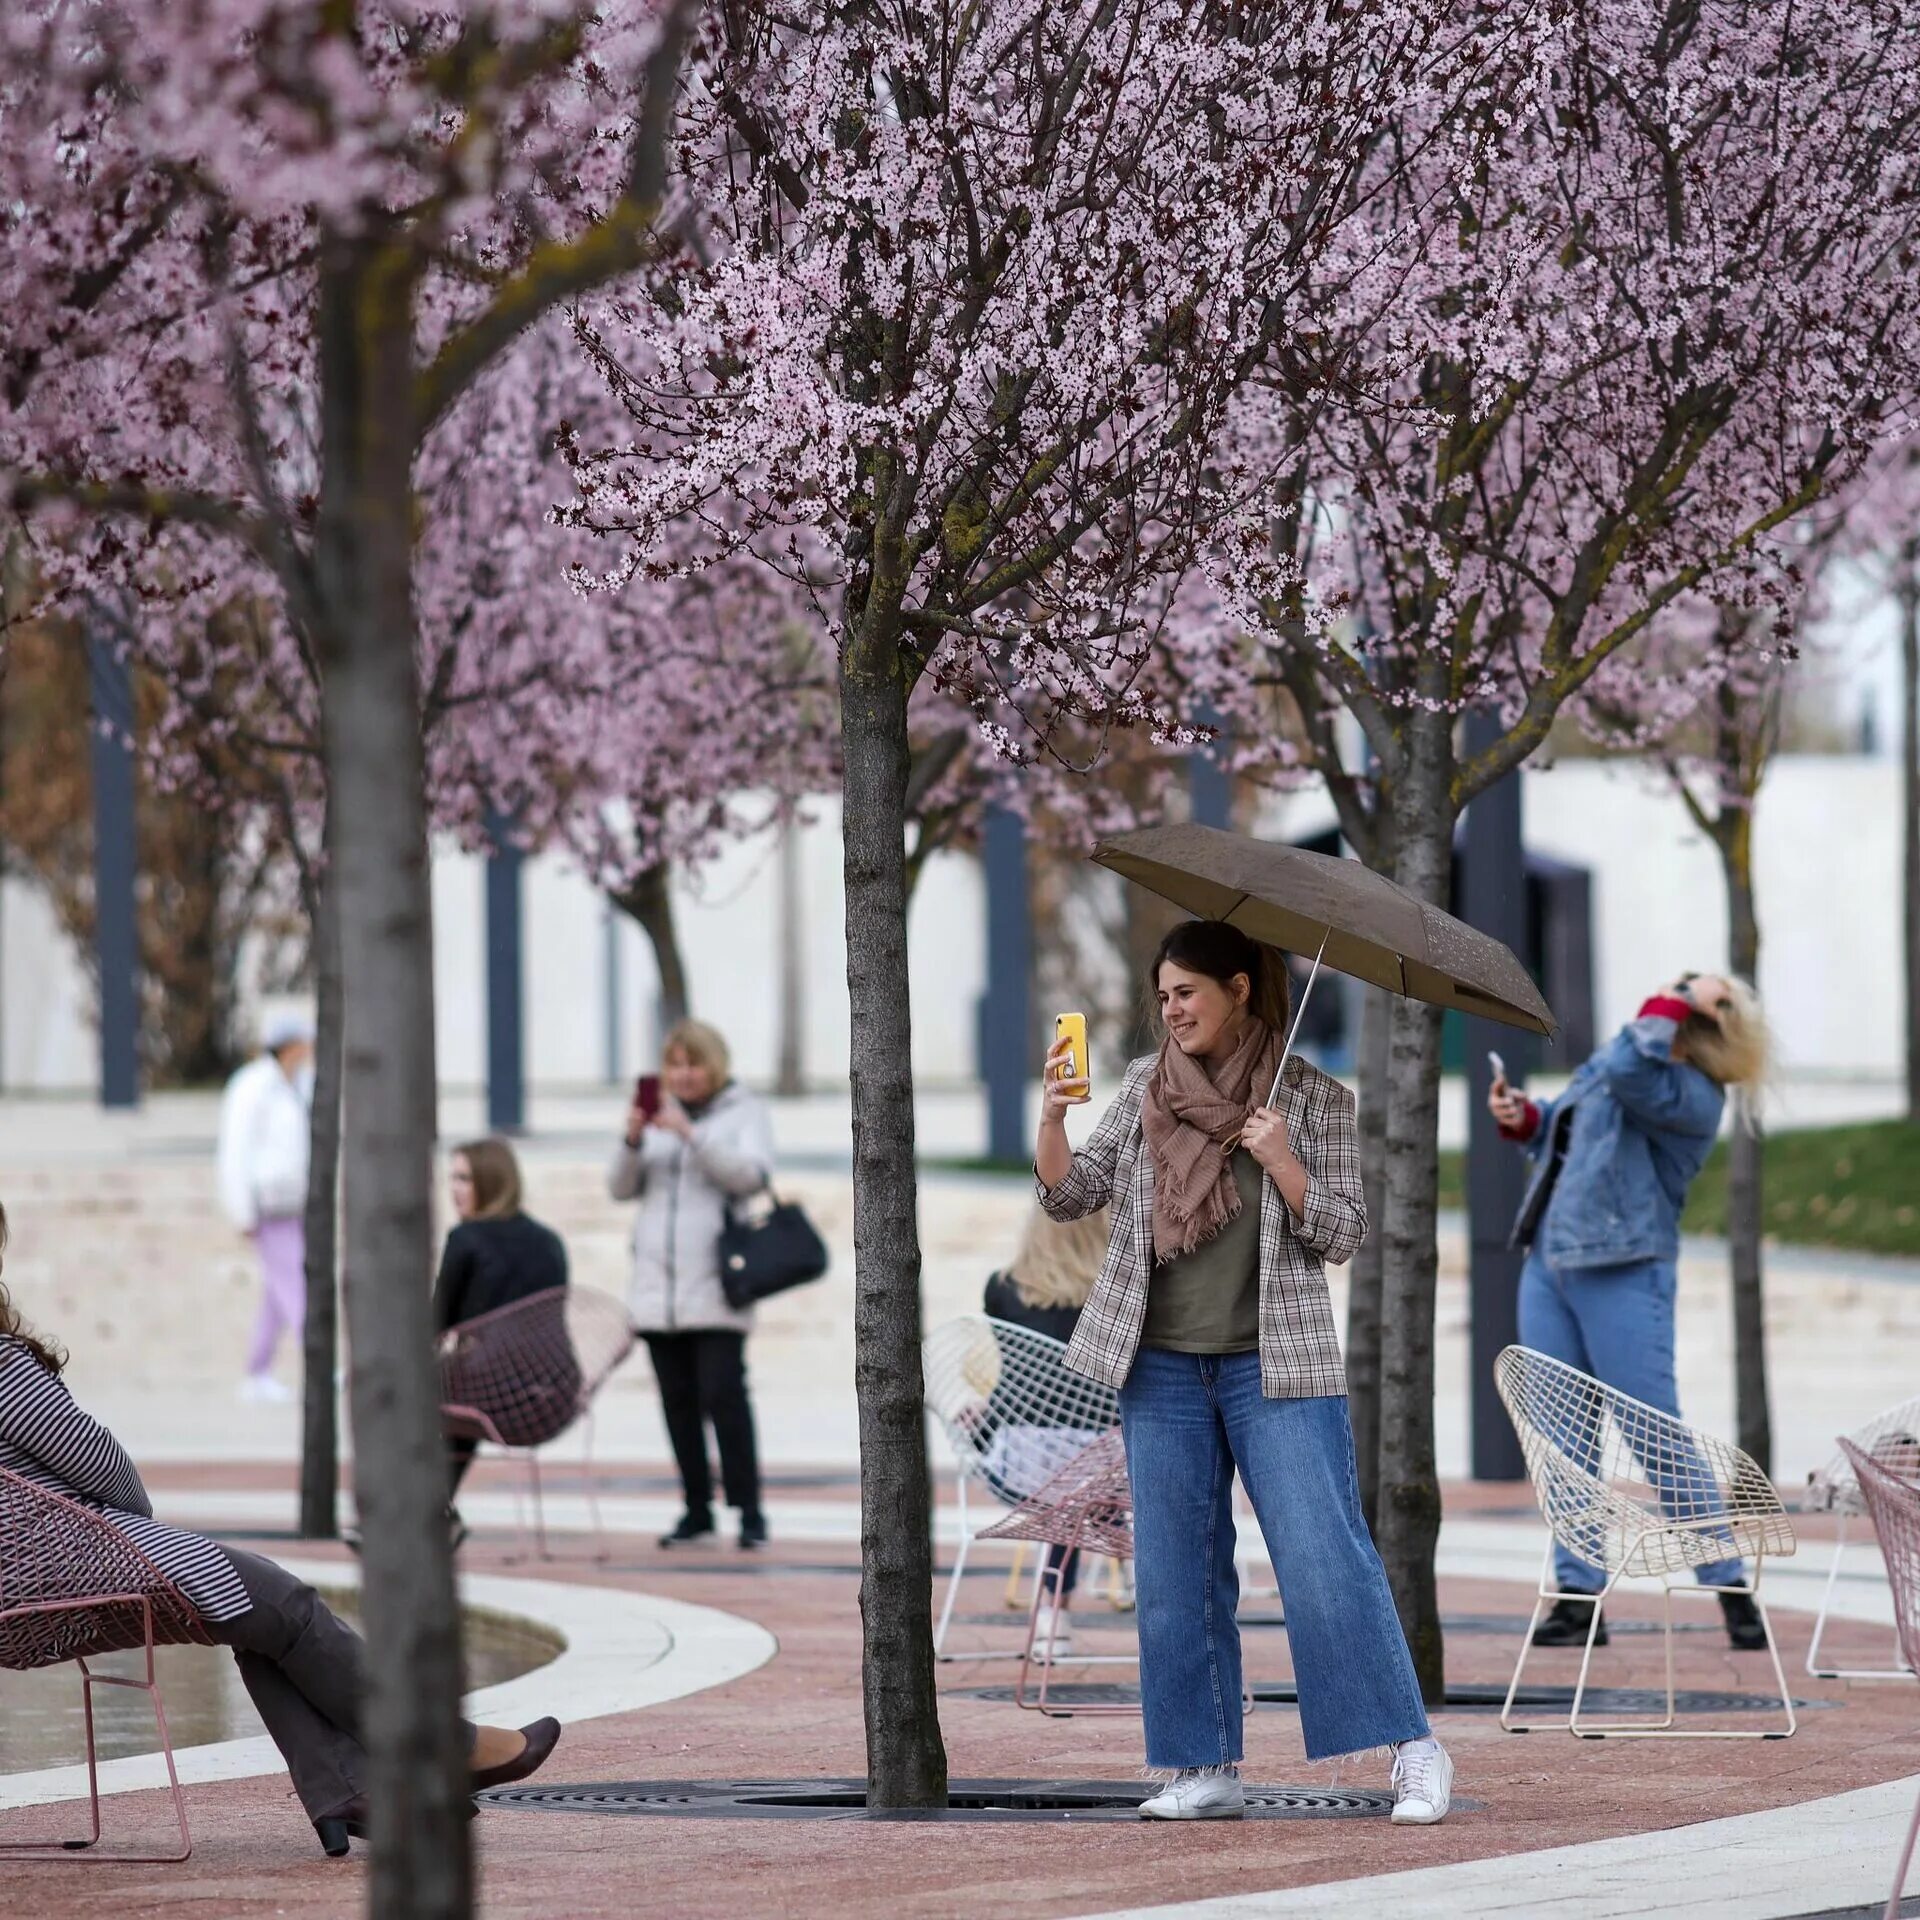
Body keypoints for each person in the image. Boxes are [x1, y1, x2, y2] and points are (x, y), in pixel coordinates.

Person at [1035, 919, 1451, 1826]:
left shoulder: (1311, 1100)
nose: (1171, 1008)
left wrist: (1283, 1162)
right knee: (1178, 1573)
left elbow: (1341, 1233)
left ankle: (1415, 1751)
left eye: (1188, 991)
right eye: (1163, 993)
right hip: (1164, 1371)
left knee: (1322, 1560)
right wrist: (1054, 1115)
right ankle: (1201, 1762)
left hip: (1278, 1366)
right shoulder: (1147, 1088)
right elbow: (1070, 1195)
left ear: (1239, 990)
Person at [0, 1202, 561, 1856]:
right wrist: (125, 1510)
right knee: (282, 1604)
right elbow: (104, 1470)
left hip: (28, 1585)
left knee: (258, 1619)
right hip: (73, 1567)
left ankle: (346, 1790)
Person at [1491, 972, 1773, 1652]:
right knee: (1562, 1444)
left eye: (1685, 998)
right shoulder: (1629, 1063)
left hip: (1624, 1273)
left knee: (1656, 1436)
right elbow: (1569, 1133)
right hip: (1551, 1262)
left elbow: (1624, 1069)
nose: (1669, 998)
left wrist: (1672, 998)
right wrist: (1528, 1119)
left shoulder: (1692, 1094)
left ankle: (1730, 1584)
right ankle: (1577, 1595)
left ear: (1700, 1027)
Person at [610, 1019, 775, 1550]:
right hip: (659, 1294)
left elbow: (752, 1177)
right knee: (677, 1404)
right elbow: (619, 1188)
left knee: (725, 1399)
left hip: (717, 1288)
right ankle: (696, 1509)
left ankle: (750, 1513)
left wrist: (690, 1134)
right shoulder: (656, 1119)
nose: (683, 1075)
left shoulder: (742, 1112)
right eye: (674, 1064)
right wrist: (633, 1139)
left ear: (715, 1066)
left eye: (693, 1063)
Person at [980, 1206, 1111, 1660]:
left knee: (1063, 1494)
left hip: (1016, 1462)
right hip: (1099, 1463)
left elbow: (1016, 1373)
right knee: (1080, 1485)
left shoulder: (1001, 1289)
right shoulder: (1115, 1293)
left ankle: (1051, 1612)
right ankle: (1058, 1605)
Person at [432, 1139, 572, 1535]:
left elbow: (434, 1324)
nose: (454, 1189)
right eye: (452, 1179)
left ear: (490, 1182)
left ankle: (423, 1513)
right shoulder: (550, 1241)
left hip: (490, 1395)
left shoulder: (466, 1239)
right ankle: (435, 1512)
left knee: (410, 1396)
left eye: (463, 1178)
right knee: (459, 1393)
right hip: (554, 1395)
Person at [216, 1011, 314, 1403]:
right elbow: (235, 1150)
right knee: (297, 1285)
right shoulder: (252, 1086)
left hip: (298, 1202)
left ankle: (257, 1371)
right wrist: (242, 1209)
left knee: (278, 1294)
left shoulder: (299, 1085)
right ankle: (321, 1363)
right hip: (269, 1204)